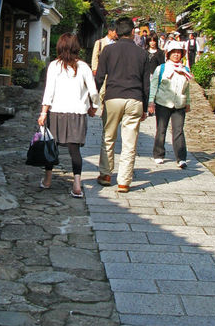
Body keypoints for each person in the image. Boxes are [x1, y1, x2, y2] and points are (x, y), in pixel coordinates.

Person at [38, 32, 99, 197]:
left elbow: (48, 91)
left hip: (56, 112)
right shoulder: (84, 67)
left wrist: (43, 112)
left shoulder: (54, 66)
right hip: (77, 114)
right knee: (74, 151)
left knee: (52, 147)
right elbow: (93, 91)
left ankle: (48, 180)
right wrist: (94, 106)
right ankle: (77, 185)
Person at [95, 16, 150, 193]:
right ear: (133, 32)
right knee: (129, 142)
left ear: (116, 32)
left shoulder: (108, 51)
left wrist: (93, 98)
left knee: (108, 137)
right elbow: (146, 84)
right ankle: (124, 181)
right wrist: (145, 105)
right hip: (135, 98)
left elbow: (99, 77)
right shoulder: (142, 54)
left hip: (113, 98)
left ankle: (105, 174)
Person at [148, 39, 191, 169]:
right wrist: (151, 102)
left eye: (179, 53)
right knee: (161, 129)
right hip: (163, 102)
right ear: (168, 54)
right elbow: (154, 85)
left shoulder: (185, 69)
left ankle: (181, 157)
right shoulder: (161, 69)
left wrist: (188, 102)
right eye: (174, 52)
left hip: (179, 104)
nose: (176, 55)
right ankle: (159, 154)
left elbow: (187, 88)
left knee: (178, 131)